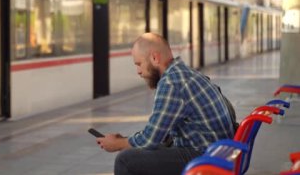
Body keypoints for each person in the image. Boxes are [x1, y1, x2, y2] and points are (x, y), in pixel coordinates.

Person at [96, 33, 235, 175]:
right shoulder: (184, 73)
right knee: (149, 150)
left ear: (155, 58)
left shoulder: (171, 82)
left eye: (139, 64)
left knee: (125, 160)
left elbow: (150, 139)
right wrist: (127, 142)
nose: (138, 71)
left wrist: (117, 144)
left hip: (205, 157)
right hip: (219, 152)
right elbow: (159, 134)